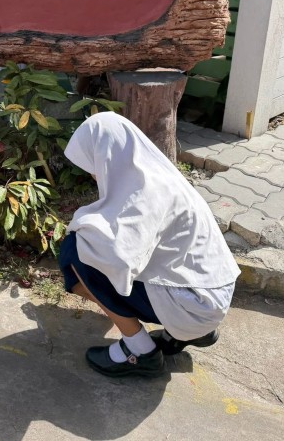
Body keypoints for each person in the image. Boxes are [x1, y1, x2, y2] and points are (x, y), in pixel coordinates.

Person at [59, 112, 240, 378]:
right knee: (90, 247)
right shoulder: (156, 175)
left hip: (197, 307)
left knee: (75, 252)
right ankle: (187, 333)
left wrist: (81, 226)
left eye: (92, 163)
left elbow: (118, 260)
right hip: (211, 294)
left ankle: (140, 351)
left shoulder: (144, 195)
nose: (92, 174)